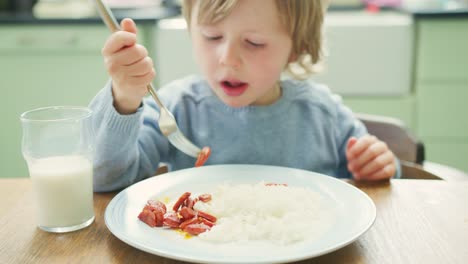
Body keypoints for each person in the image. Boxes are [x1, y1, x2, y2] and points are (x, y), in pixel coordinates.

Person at [89, 0, 399, 192]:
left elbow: (385, 180)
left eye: (254, 42)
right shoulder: (177, 108)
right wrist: (125, 99)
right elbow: (105, 179)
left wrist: (379, 166)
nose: (228, 58)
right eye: (212, 36)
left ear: (298, 47)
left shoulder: (323, 115)